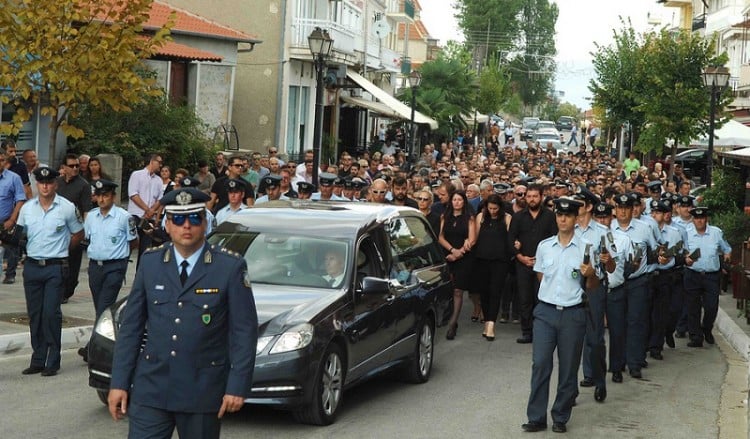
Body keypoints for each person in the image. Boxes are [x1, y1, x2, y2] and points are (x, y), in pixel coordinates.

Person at [108, 187, 258, 438]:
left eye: (194, 218)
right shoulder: (151, 261)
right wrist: (119, 382)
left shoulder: (229, 267)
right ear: (167, 225)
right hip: (152, 387)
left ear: (205, 223)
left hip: (201, 389)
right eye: (177, 219)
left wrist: (237, 386)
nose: (186, 226)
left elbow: (244, 331)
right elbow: (132, 328)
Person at [522, 197, 599, 434]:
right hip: (545, 312)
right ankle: (536, 417)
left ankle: (560, 415)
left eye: (567, 215)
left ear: (576, 218)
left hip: (573, 313)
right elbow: (540, 275)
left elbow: (593, 285)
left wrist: (591, 273)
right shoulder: (545, 246)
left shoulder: (587, 247)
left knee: (568, 368)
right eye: (559, 215)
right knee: (541, 364)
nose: (562, 219)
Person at [18, 166, 84, 376]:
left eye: (49, 182)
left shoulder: (66, 207)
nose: (45, 186)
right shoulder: (28, 208)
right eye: (41, 182)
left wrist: (63, 251)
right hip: (32, 266)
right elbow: (21, 234)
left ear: (55, 184)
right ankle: (38, 359)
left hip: (55, 267)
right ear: (37, 184)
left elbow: (78, 234)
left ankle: (53, 360)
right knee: (35, 314)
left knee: (51, 314)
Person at [78, 179, 138, 362]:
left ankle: (94, 349)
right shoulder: (91, 217)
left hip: (115, 267)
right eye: (99, 196)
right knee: (100, 309)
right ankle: (113, 343)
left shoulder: (123, 217)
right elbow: (88, 239)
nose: (102, 199)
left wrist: (121, 260)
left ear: (113, 196)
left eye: (106, 195)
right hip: (95, 267)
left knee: (104, 306)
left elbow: (134, 242)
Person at [609, 192, 658, 381]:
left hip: (638, 282)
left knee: (636, 322)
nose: (622, 212)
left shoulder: (644, 228)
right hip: (617, 283)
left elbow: (653, 251)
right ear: (615, 210)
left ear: (632, 210)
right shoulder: (609, 229)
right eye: (619, 208)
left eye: (626, 208)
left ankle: (635, 363)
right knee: (616, 324)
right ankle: (616, 364)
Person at [572, 187, 614, 403]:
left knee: (595, 338)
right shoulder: (568, 229)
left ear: (588, 207)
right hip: (572, 285)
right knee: (570, 339)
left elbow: (613, 266)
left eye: (579, 203)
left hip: (595, 286)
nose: (575, 207)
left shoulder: (602, 231)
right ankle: (570, 389)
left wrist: (608, 262)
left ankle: (599, 380)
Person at [508, 184, 558, 344]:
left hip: (544, 267)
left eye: (535, 196)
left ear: (541, 197)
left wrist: (544, 260)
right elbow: (510, 240)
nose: (531, 199)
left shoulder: (550, 217)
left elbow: (555, 239)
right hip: (523, 264)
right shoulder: (518, 217)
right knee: (525, 299)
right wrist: (520, 257)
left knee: (541, 299)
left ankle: (541, 331)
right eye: (528, 196)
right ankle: (527, 332)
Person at [683, 207, 732, 347]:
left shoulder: (716, 233)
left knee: (711, 306)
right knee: (693, 307)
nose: (699, 221)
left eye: (702, 218)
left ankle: (707, 328)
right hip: (692, 274)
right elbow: (682, 251)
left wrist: (727, 256)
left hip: (711, 276)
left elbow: (726, 248)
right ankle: (695, 337)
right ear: (693, 219)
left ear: (706, 219)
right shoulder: (686, 233)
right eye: (697, 218)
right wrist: (686, 257)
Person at [472, 194, 511, 341]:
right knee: (484, 292)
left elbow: (511, 238)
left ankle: (491, 325)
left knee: (495, 292)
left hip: (500, 261)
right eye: (490, 208)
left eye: (495, 208)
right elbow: (474, 238)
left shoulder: (506, 218)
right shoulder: (480, 217)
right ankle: (487, 319)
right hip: (482, 259)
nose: (493, 211)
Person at [438, 191, 476, 340]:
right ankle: (446, 316)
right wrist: (452, 251)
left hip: (464, 257)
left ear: (464, 202)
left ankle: (453, 323)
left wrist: (459, 252)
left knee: (458, 290)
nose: (457, 202)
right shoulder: (444, 216)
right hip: (448, 254)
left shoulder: (469, 218)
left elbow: (472, 239)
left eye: (460, 200)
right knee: (447, 288)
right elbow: (440, 237)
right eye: (454, 199)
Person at [56, 153, 92, 303]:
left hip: (74, 230)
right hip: (57, 229)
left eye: (77, 165)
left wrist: (85, 231)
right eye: (71, 166)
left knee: (72, 263)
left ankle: (68, 290)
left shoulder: (83, 185)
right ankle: (58, 289)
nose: (75, 168)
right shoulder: (57, 182)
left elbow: (86, 210)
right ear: (64, 167)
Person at [127, 154, 163, 269]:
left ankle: (140, 277)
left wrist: (152, 211)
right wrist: (147, 209)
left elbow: (160, 199)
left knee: (145, 249)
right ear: (152, 161)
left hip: (149, 218)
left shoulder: (158, 180)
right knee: (129, 245)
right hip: (136, 215)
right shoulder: (137, 175)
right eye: (159, 162)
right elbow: (133, 194)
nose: (161, 165)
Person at [0, 148, 26, 284]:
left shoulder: (14, 178)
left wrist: (12, 219)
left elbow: (20, 199)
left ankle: (10, 274)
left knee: (12, 247)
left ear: (5, 161)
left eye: (2, 160)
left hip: (7, 219)